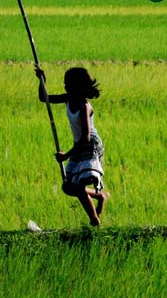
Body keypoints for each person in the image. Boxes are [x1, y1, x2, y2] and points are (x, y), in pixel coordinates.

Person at [37, 66, 109, 226]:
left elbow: (86, 138)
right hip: (79, 145)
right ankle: (100, 196)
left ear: (76, 85)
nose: (64, 86)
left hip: (90, 146)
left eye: (67, 83)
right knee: (69, 187)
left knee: (79, 186)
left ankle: (95, 221)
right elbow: (44, 98)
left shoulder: (85, 107)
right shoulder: (69, 98)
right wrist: (42, 80)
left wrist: (66, 155)